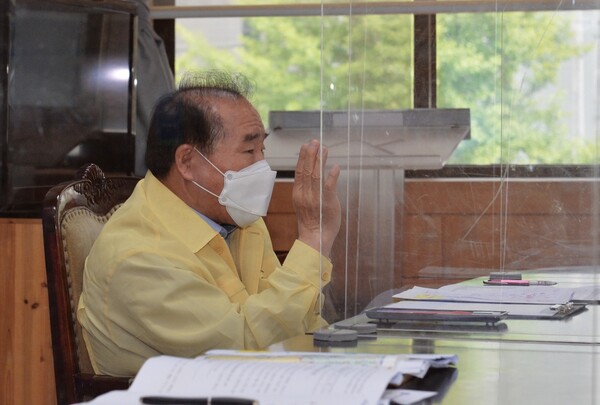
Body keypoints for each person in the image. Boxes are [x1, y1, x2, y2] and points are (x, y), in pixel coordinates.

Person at [77, 71, 342, 377]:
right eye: (248, 151)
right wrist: (313, 238)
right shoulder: (137, 255)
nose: (262, 166)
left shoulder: (236, 216)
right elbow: (242, 350)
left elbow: (300, 324)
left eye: (263, 150)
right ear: (187, 162)